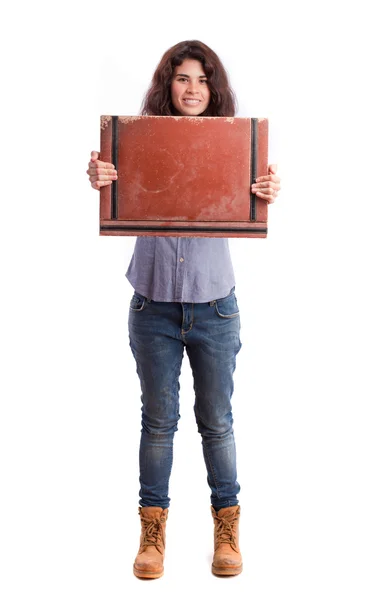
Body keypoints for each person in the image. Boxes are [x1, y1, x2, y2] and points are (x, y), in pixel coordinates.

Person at [86, 40, 280, 579]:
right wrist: (101, 178)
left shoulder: (232, 146)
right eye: (181, 79)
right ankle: (153, 535)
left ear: (213, 88)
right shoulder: (138, 143)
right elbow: (113, 188)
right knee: (158, 422)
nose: (192, 89)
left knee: (216, 422)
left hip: (215, 307)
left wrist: (264, 191)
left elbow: (251, 202)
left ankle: (227, 529)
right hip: (152, 306)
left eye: (201, 79)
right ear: (166, 86)